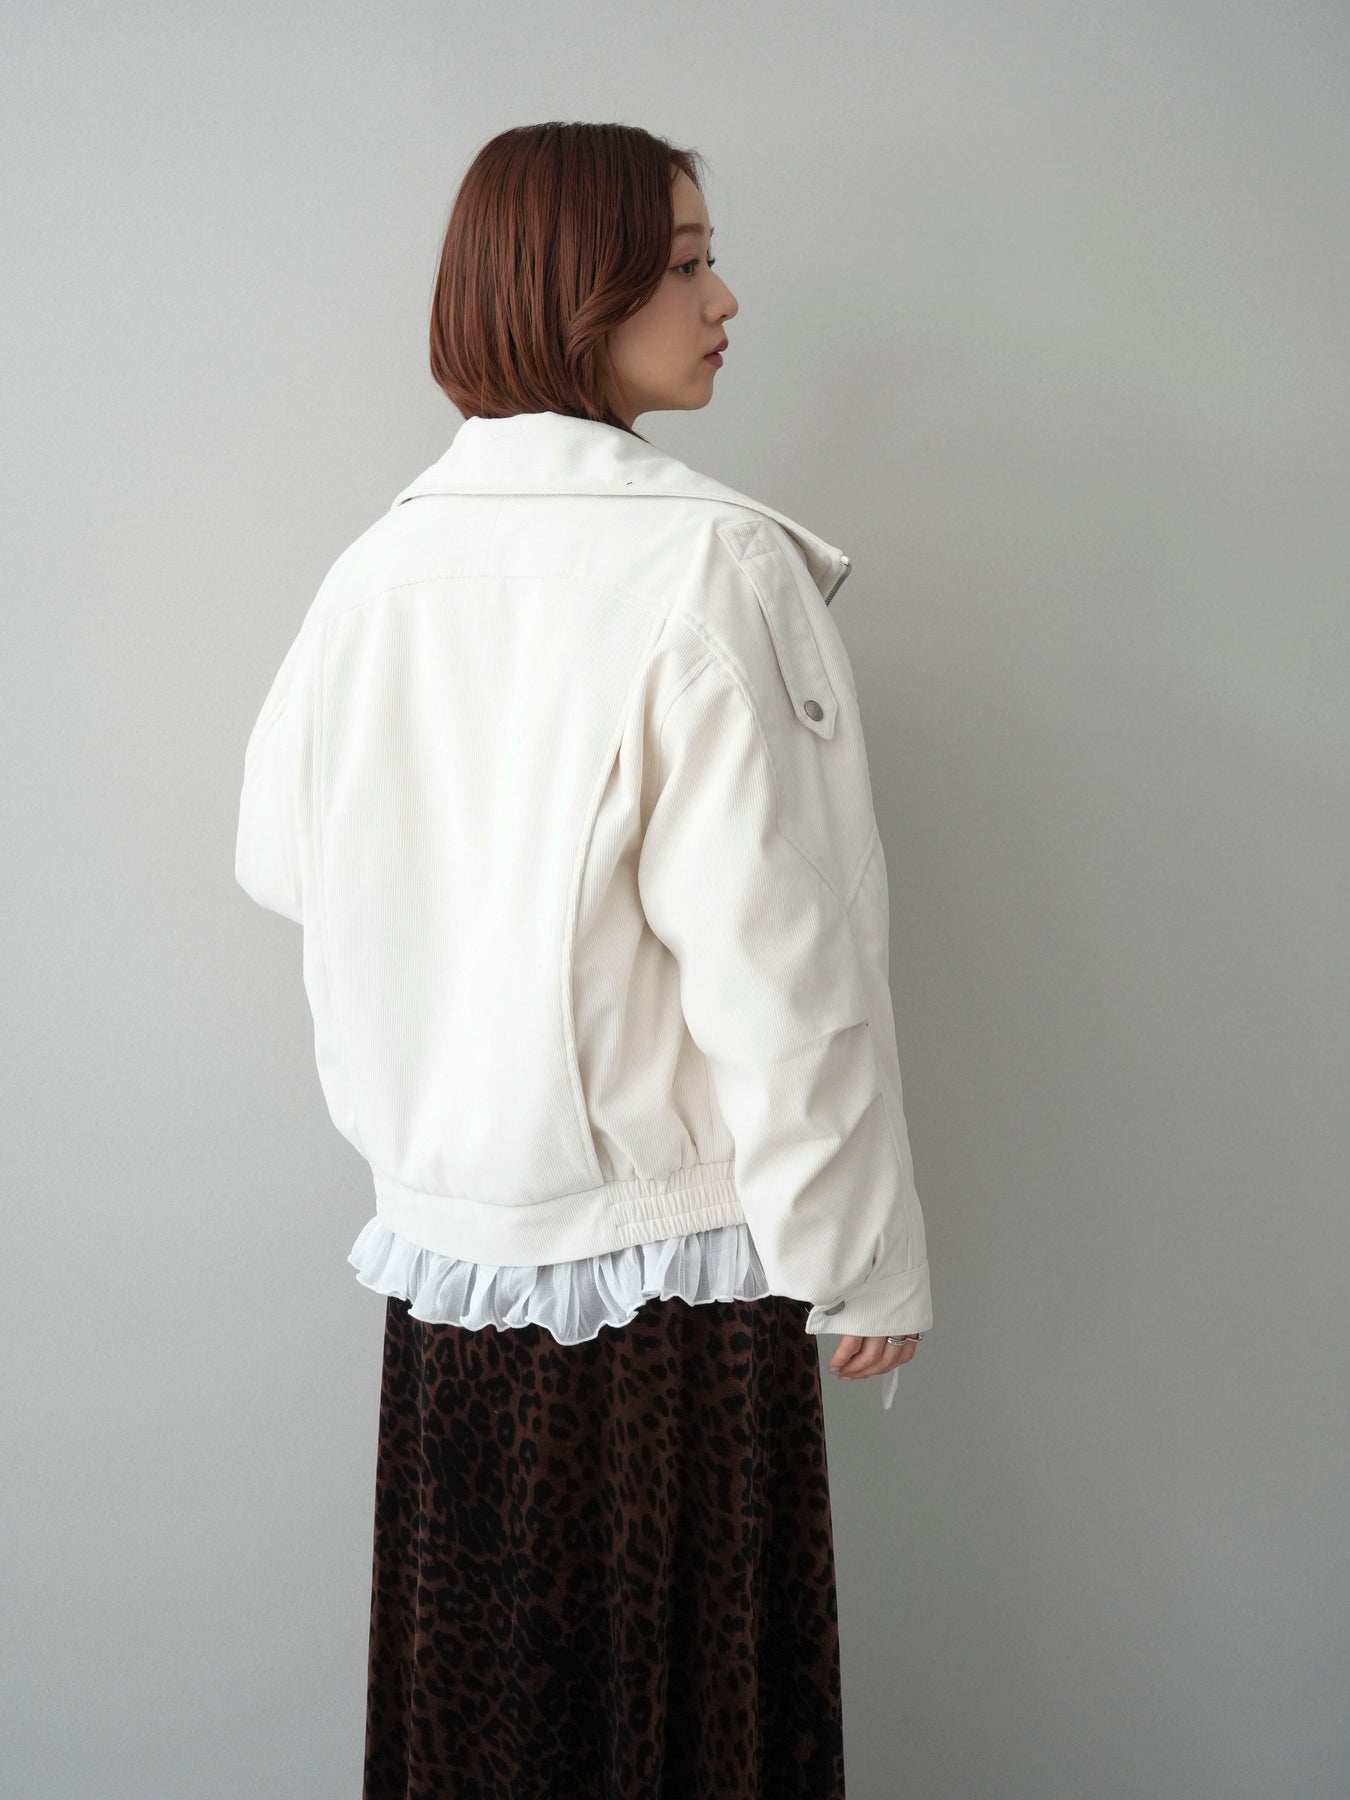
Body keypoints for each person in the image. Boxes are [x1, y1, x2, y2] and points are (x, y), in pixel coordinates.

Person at [234, 119, 932, 1800]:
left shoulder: (377, 569)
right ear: (574, 290)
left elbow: (279, 861)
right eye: (686, 262)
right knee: (680, 1737)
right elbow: (783, 967)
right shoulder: (706, 561)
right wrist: (862, 1254)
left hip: (453, 1283)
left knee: (486, 1732)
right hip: (668, 1295)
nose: (725, 299)